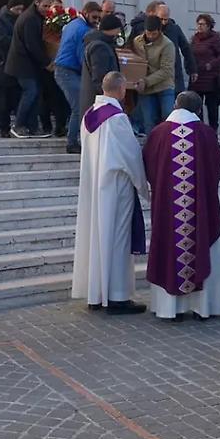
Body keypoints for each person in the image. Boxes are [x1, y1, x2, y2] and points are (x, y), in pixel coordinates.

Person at [143, 91, 220, 321]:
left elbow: (148, 166)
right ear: (199, 110)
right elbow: (216, 164)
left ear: (175, 105)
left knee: (169, 245)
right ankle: (204, 307)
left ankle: (170, 309)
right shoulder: (206, 134)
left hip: (168, 210)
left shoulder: (158, 133)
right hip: (200, 210)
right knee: (202, 242)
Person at [70, 72, 150, 314]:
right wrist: (144, 187)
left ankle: (97, 293)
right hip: (116, 187)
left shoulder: (88, 116)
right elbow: (131, 155)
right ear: (122, 90)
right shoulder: (117, 118)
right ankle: (117, 297)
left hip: (95, 185)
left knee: (98, 238)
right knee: (117, 239)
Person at [55, 1, 103, 154]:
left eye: (99, 18)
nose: (96, 21)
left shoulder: (72, 24)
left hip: (63, 69)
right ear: (86, 12)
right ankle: (72, 142)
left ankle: (74, 137)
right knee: (79, 106)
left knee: (79, 105)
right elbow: (82, 56)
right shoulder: (84, 30)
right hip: (68, 71)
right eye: (94, 17)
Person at [6, 0, 55, 139]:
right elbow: (32, 44)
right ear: (37, 2)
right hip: (22, 63)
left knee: (35, 93)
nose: (47, 9)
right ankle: (18, 125)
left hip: (29, 64)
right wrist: (46, 62)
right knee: (31, 92)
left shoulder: (35, 17)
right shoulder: (30, 19)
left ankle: (33, 127)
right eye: (44, 5)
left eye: (49, 6)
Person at [131, 15, 176, 135]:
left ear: (160, 31)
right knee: (148, 121)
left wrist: (146, 81)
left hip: (164, 85)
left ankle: (168, 144)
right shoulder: (137, 41)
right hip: (145, 89)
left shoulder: (167, 45)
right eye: (148, 33)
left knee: (167, 117)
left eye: (154, 34)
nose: (151, 36)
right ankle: (151, 147)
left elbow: (166, 70)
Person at [0, 0, 23, 138]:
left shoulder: (18, 20)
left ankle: (16, 126)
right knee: (3, 101)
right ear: (10, 8)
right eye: (17, 9)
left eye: (21, 9)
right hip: (2, 67)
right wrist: (18, 40)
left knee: (15, 98)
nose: (19, 12)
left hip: (14, 67)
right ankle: (4, 128)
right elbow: (0, 41)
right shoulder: (0, 21)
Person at [190, 14, 220, 132]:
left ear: (209, 26)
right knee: (196, 105)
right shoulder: (195, 38)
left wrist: (211, 64)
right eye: (198, 24)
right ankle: (199, 130)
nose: (200, 27)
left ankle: (212, 131)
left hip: (211, 78)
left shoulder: (215, 39)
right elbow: (190, 55)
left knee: (212, 106)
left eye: (202, 24)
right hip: (197, 77)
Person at [80, 14, 124, 112]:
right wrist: (110, 98)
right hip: (100, 103)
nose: (120, 32)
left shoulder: (99, 43)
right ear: (114, 28)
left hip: (97, 100)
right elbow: (100, 78)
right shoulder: (100, 47)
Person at [155, 2, 196, 92]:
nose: (163, 22)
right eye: (161, 19)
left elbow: (186, 49)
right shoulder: (151, 29)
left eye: (166, 19)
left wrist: (192, 69)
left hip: (174, 73)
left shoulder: (175, 29)